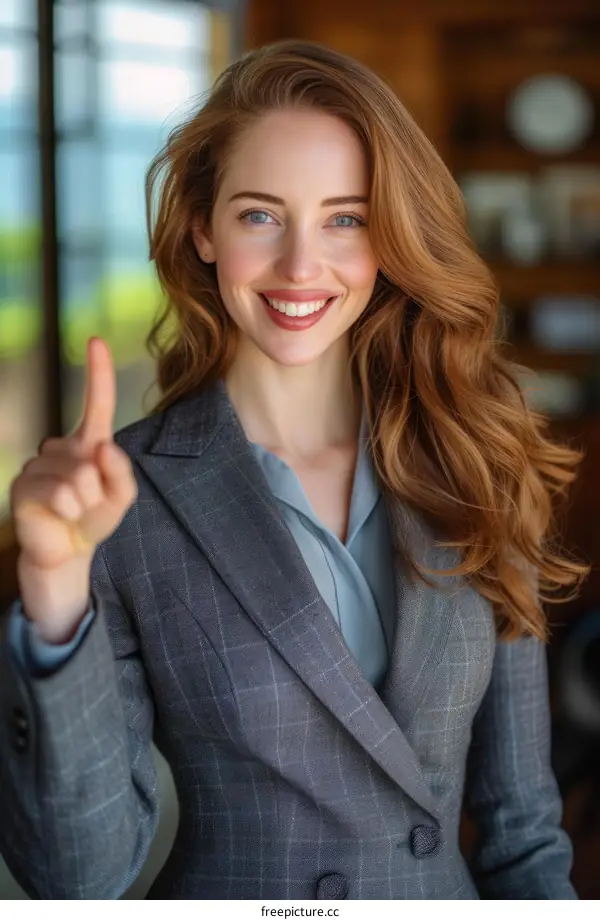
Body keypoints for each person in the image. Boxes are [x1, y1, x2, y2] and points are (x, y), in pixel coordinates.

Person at [0, 39, 589, 900]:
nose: (302, 267)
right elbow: (75, 883)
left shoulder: (478, 462)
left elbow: (525, 836)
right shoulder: (124, 497)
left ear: (387, 236)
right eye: (260, 216)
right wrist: (54, 591)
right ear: (204, 227)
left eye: (345, 218)